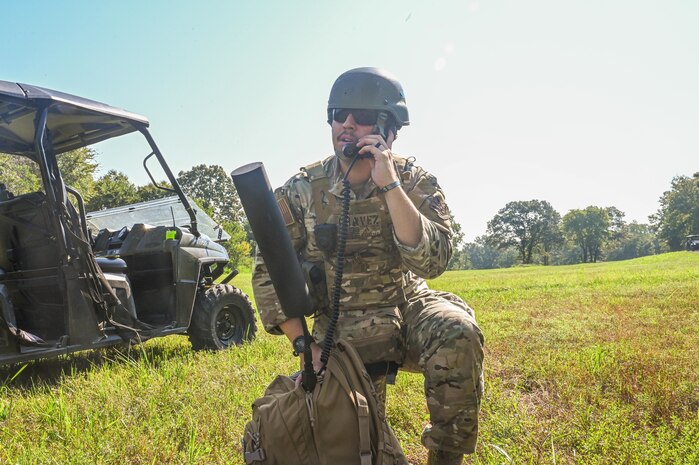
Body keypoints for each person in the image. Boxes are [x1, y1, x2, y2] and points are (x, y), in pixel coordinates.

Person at [252, 67, 484, 465]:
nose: (346, 124)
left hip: (407, 306)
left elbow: (434, 260)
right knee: (354, 435)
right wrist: (304, 346)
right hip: (339, 325)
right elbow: (268, 270)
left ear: (388, 128)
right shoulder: (304, 189)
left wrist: (389, 185)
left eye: (359, 115)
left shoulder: (413, 181)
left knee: (458, 332)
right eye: (339, 113)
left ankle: (446, 457)